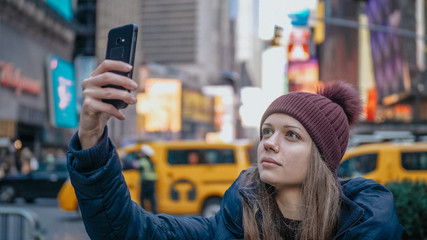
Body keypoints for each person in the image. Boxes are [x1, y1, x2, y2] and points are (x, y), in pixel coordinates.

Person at [67, 60, 403, 239]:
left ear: (322, 158)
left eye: (292, 136)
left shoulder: (365, 224)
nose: (269, 142)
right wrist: (92, 138)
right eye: (267, 131)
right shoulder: (230, 223)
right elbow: (127, 231)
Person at [138, 144, 158, 214]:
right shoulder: (151, 161)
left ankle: (143, 213)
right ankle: (155, 212)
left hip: (145, 180)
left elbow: (136, 166)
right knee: (152, 198)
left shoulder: (143, 161)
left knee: (142, 198)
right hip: (152, 180)